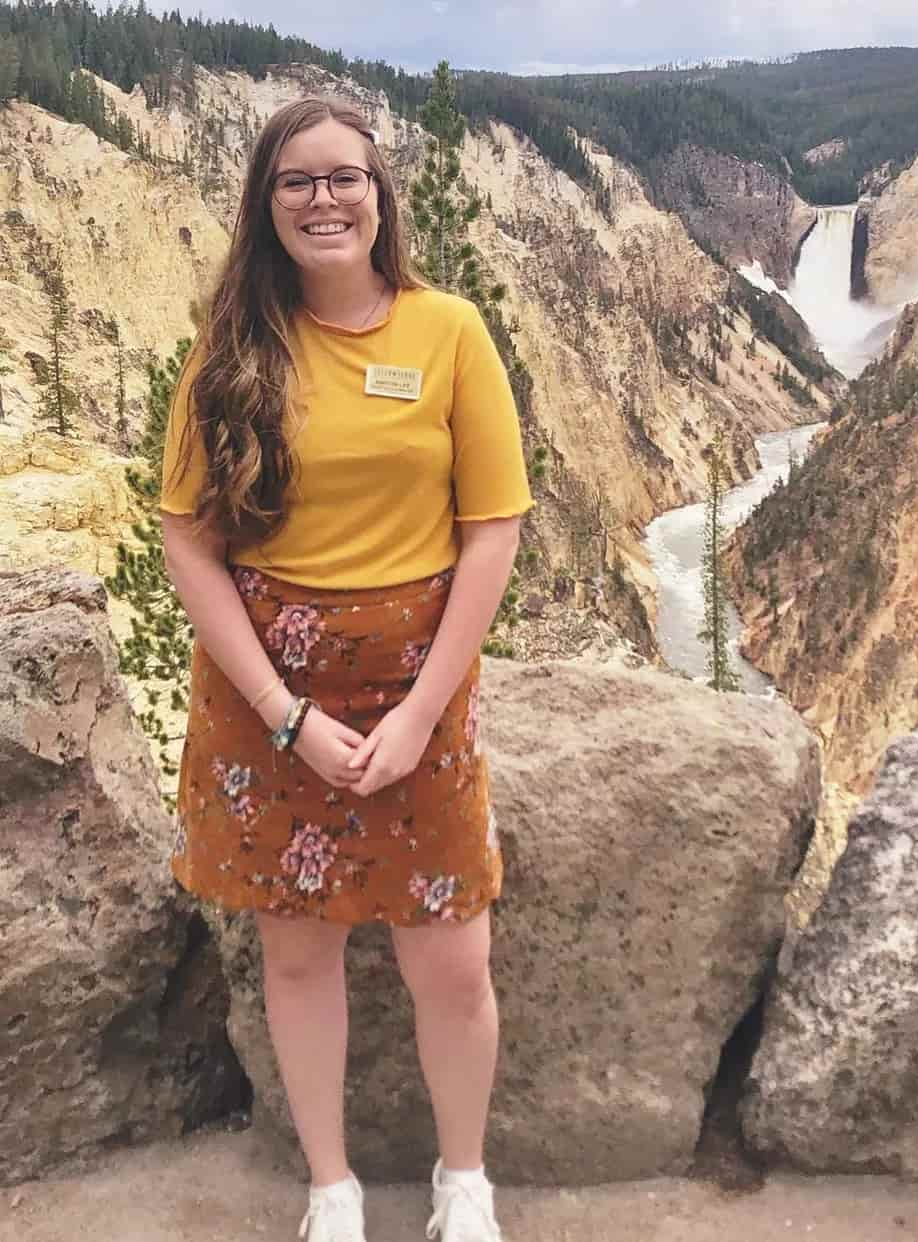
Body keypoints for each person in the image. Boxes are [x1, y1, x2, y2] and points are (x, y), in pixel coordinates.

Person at [159, 95, 533, 1242]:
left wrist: (424, 713)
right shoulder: (229, 354)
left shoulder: (450, 332)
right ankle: (333, 1185)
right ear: (266, 207)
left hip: (417, 689)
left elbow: (493, 525)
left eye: (345, 178)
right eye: (297, 182)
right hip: (271, 692)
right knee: (299, 952)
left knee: (452, 961)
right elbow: (187, 537)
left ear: (381, 196)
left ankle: (460, 1180)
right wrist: (283, 715)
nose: (324, 200)